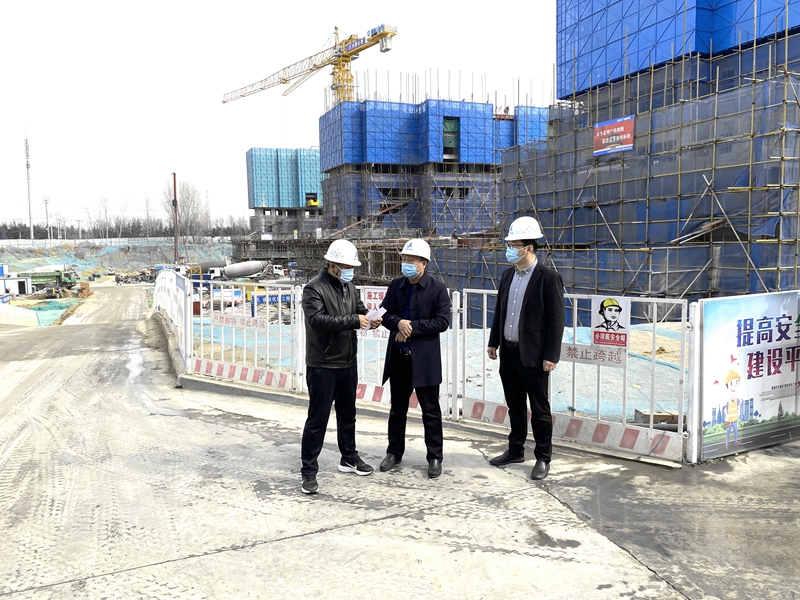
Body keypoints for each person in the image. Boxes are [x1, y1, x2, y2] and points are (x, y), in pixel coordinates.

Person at [299, 239, 381, 494]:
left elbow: (359, 310)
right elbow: (318, 320)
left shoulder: (350, 288)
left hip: (347, 362)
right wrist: (354, 320)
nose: (350, 271)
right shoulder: (313, 289)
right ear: (332, 265)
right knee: (318, 419)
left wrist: (370, 319)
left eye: (352, 267)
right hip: (323, 364)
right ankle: (309, 471)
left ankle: (349, 458)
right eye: (346, 267)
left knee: (348, 415)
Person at [487, 216, 565, 481]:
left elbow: (556, 320)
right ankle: (515, 450)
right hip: (509, 353)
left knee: (540, 410)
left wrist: (551, 355)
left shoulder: (548, 278)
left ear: (529, 248)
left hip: (534, 355)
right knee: (515, 406)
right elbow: (500, 311)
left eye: (514, 245)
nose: (509, 249)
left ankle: (543, 457)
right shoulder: (508, 275)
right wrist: (494, 341)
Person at [378, 239, 451, 479]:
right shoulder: (396, 286)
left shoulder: (437, 289)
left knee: (430, 411)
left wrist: (411, 327)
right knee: (397, 410)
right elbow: (384, 313)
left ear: (423, 263)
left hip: (424, 360)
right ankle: (394, 452)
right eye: (404, 259)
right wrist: (398, 322)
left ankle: (435, 457)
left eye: (411, 260)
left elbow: (442, 321)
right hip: (399, 358)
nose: (406, 264)